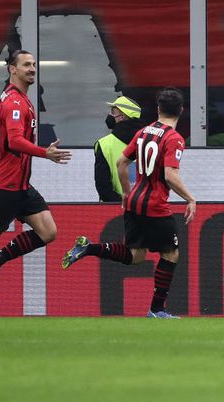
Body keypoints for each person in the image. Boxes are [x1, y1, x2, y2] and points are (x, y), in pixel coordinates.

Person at [61, 88, 196, 319]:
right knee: (171, 254)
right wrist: (190, 199)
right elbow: (170, 175)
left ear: (158, 109)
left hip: (134, 202)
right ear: (181, 111)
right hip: (155, 205)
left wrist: (126, 192)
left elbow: (122, 162)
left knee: (136, 255)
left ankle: (89, 247)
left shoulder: (143, 132)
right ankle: (157, 310)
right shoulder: (174, 139)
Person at [0, 49, 72, 301]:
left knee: (48, 231)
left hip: (20, 186)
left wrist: (5, 143)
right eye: (26, 65)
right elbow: (15, 140)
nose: (32, 69)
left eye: (34, 64)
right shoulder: (15, 102)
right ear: (12, 69)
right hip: (6, 186)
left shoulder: (13, 96)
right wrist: (42, 153)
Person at [95, 95, 146, 202]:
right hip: (146, 207)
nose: (109, 115)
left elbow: (103, 186)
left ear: (122, 117)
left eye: (113, 112)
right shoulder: (150, 141)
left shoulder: (104, 144)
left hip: (115, 209)